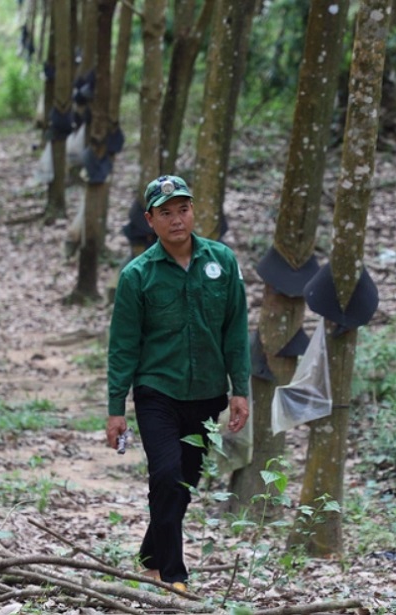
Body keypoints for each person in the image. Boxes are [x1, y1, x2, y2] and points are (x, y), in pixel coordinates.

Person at [106, 174, 251, 591]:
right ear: (150, 220)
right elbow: (123, 345)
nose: (177, 219)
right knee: (166, 475)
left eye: (183, 209)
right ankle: (172, 574)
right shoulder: (138, 275)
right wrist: (116, 408)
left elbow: (235, 330)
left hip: (207, 394)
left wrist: (239, 389)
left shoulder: (221, 261)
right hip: (157, 392)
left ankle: (150, 556)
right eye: (165, 213)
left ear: (193, 211)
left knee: (184, 485)